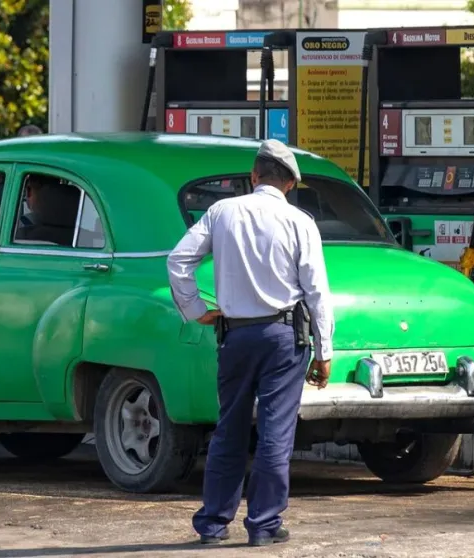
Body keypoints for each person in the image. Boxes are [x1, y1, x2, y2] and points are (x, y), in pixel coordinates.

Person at [166, 139, 334, 547]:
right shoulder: (300, 222)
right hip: (283, 338)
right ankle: (263, 524)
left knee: (230, 428)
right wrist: (324, 350)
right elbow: (316, 291)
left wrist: (195, 309)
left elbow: (178, 261)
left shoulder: (222, 212)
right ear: (290, 184)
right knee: (276, 431)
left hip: (236, 334)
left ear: (254, 176)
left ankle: (212, 524)